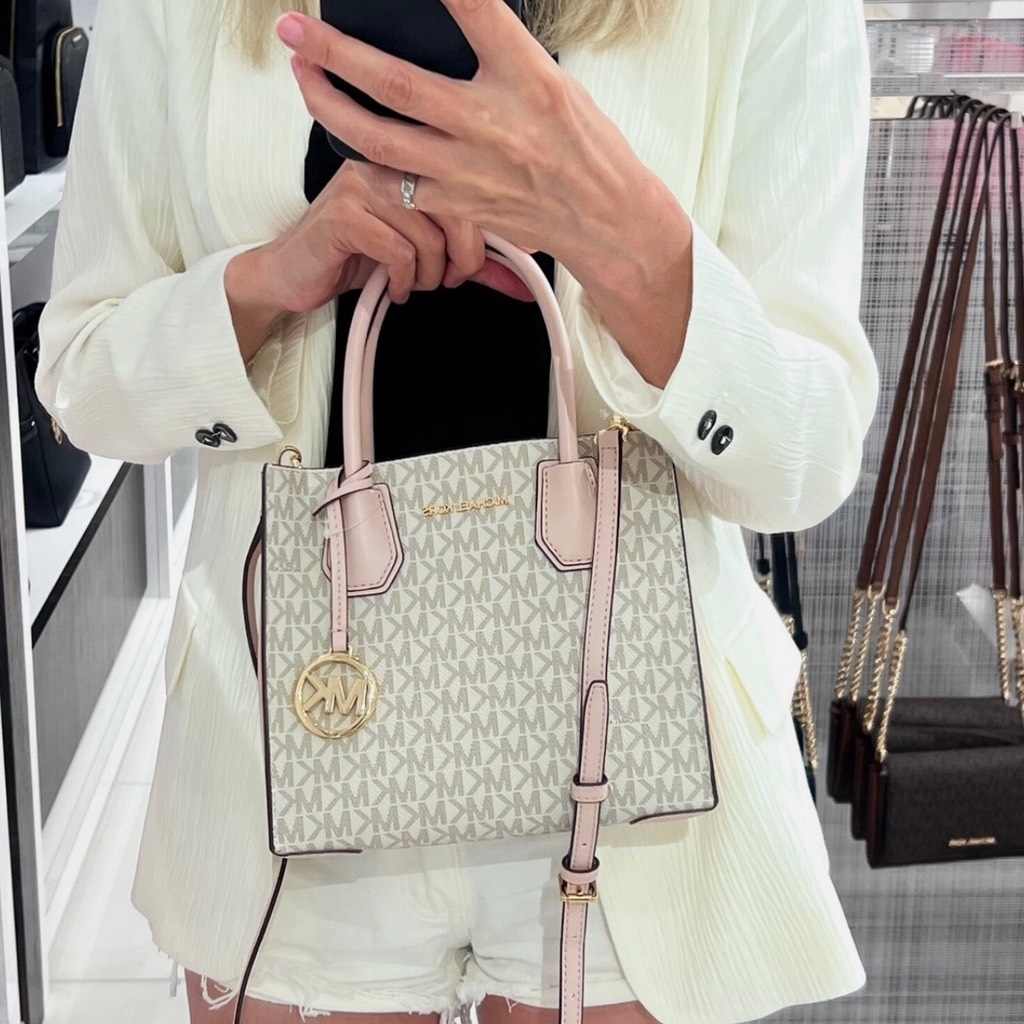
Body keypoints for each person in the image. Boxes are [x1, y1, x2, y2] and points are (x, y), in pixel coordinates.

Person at [36, 0, 879, 1022]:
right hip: (289, 756)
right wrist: (266, 283)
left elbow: (804, 459)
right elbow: (84, 383)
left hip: (638, 775)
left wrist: (619, 234)